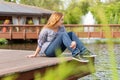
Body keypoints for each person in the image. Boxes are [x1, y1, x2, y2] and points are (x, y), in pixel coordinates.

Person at [27, 12, 96, 62]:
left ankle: (84, 52)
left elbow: (66, 38)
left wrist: (73, 42)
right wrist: (35, 54)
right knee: (62, 34)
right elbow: (40, 43)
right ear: (56, 20)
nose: (63, 21)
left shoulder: (62, 27)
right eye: (61, 20)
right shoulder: (46, 29)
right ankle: (75, 53)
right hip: (48, 51)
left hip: (58, 51)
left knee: (71, 33)